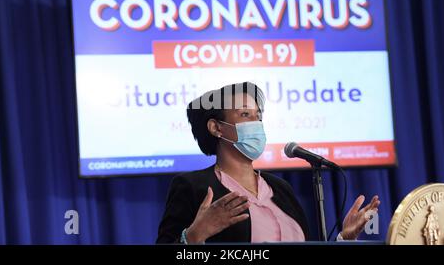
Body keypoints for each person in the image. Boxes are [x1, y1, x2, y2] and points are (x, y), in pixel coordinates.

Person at [156, 82, 380, 244]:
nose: (256, 123)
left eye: (258, 115)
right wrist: (194, 236)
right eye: (245, 114)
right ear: (216, 128)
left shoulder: (281, 189)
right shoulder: (193, 186)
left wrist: (344, 239)